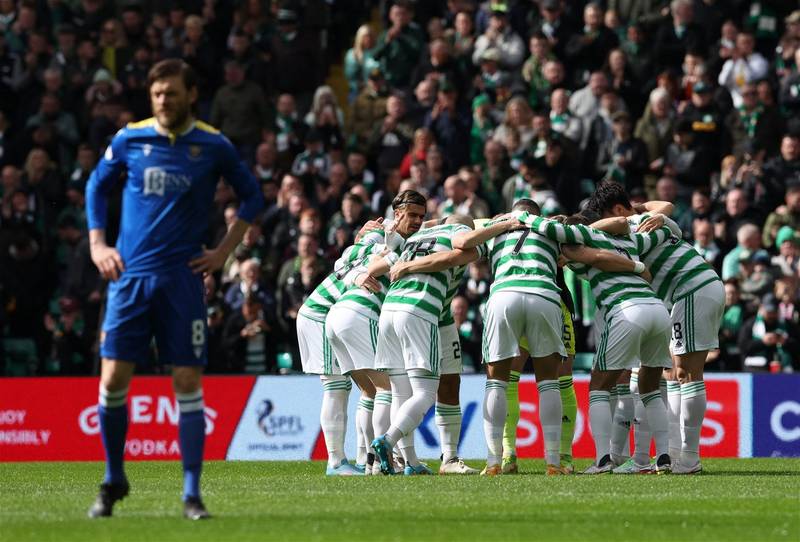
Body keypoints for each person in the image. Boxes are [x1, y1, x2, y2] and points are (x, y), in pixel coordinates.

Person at [84, 59, 264, 520]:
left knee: (186, 382)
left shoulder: (212, 144)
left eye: (171, 92)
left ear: (190, 94)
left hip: (182, 281)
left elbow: (253, 196)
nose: (163, 100)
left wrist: (224, 251)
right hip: (130, 279)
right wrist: (98, 243)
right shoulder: (129, 138)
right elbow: (95, 187)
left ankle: (190, 493)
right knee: (112, 381)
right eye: (157, 93)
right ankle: (112, 479)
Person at [588, 181, 724, 474]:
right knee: (676, 375)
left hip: (692, 289)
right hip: (695, 290)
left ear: (619, 211)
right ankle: (675, 455)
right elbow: (664, 210)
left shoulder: (635, 228)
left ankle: (688, 457)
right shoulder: (652, 220)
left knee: (687, 375)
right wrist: (656, 214)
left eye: (605, 217)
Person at [371, 212, 482, 475]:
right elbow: (453, 252)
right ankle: (400, 451)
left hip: (431, 317)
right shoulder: (450, 240)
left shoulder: (423, 235)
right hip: (426, 313)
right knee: (422, 390)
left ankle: (445, 459)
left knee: (444, 385)